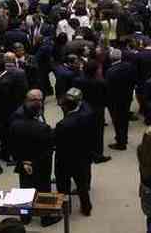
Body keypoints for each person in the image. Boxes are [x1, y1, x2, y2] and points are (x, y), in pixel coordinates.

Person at [9, 90, 59, 227]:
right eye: (35, 100)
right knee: (43, 189)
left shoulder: (16, 123)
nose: (39, 102)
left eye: (40, 99)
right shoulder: (42, 128)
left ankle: (25, 217)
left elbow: (12, 143)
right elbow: (49, 144)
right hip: (41, 162)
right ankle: (46, 218)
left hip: (23, 161)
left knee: (25, 188)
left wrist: (21, 160)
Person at [54, 88, 94, 216]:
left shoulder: (62, 124)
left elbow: (56, 140)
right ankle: (86, 208)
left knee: (63, 185)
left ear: (65, 107)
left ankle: (66, 209)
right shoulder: (87, 114)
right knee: (82, 185)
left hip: (65, 158)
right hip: (82, 156)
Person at [105, 48, 137, 150]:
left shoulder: (110, 72)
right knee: (124, 118)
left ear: (111, 58)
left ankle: (121, 142)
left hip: (114, 100)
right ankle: (124, 138)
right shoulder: (130, 66)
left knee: (117, 120)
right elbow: (134, 81)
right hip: (127, 97)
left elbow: (108, 88)